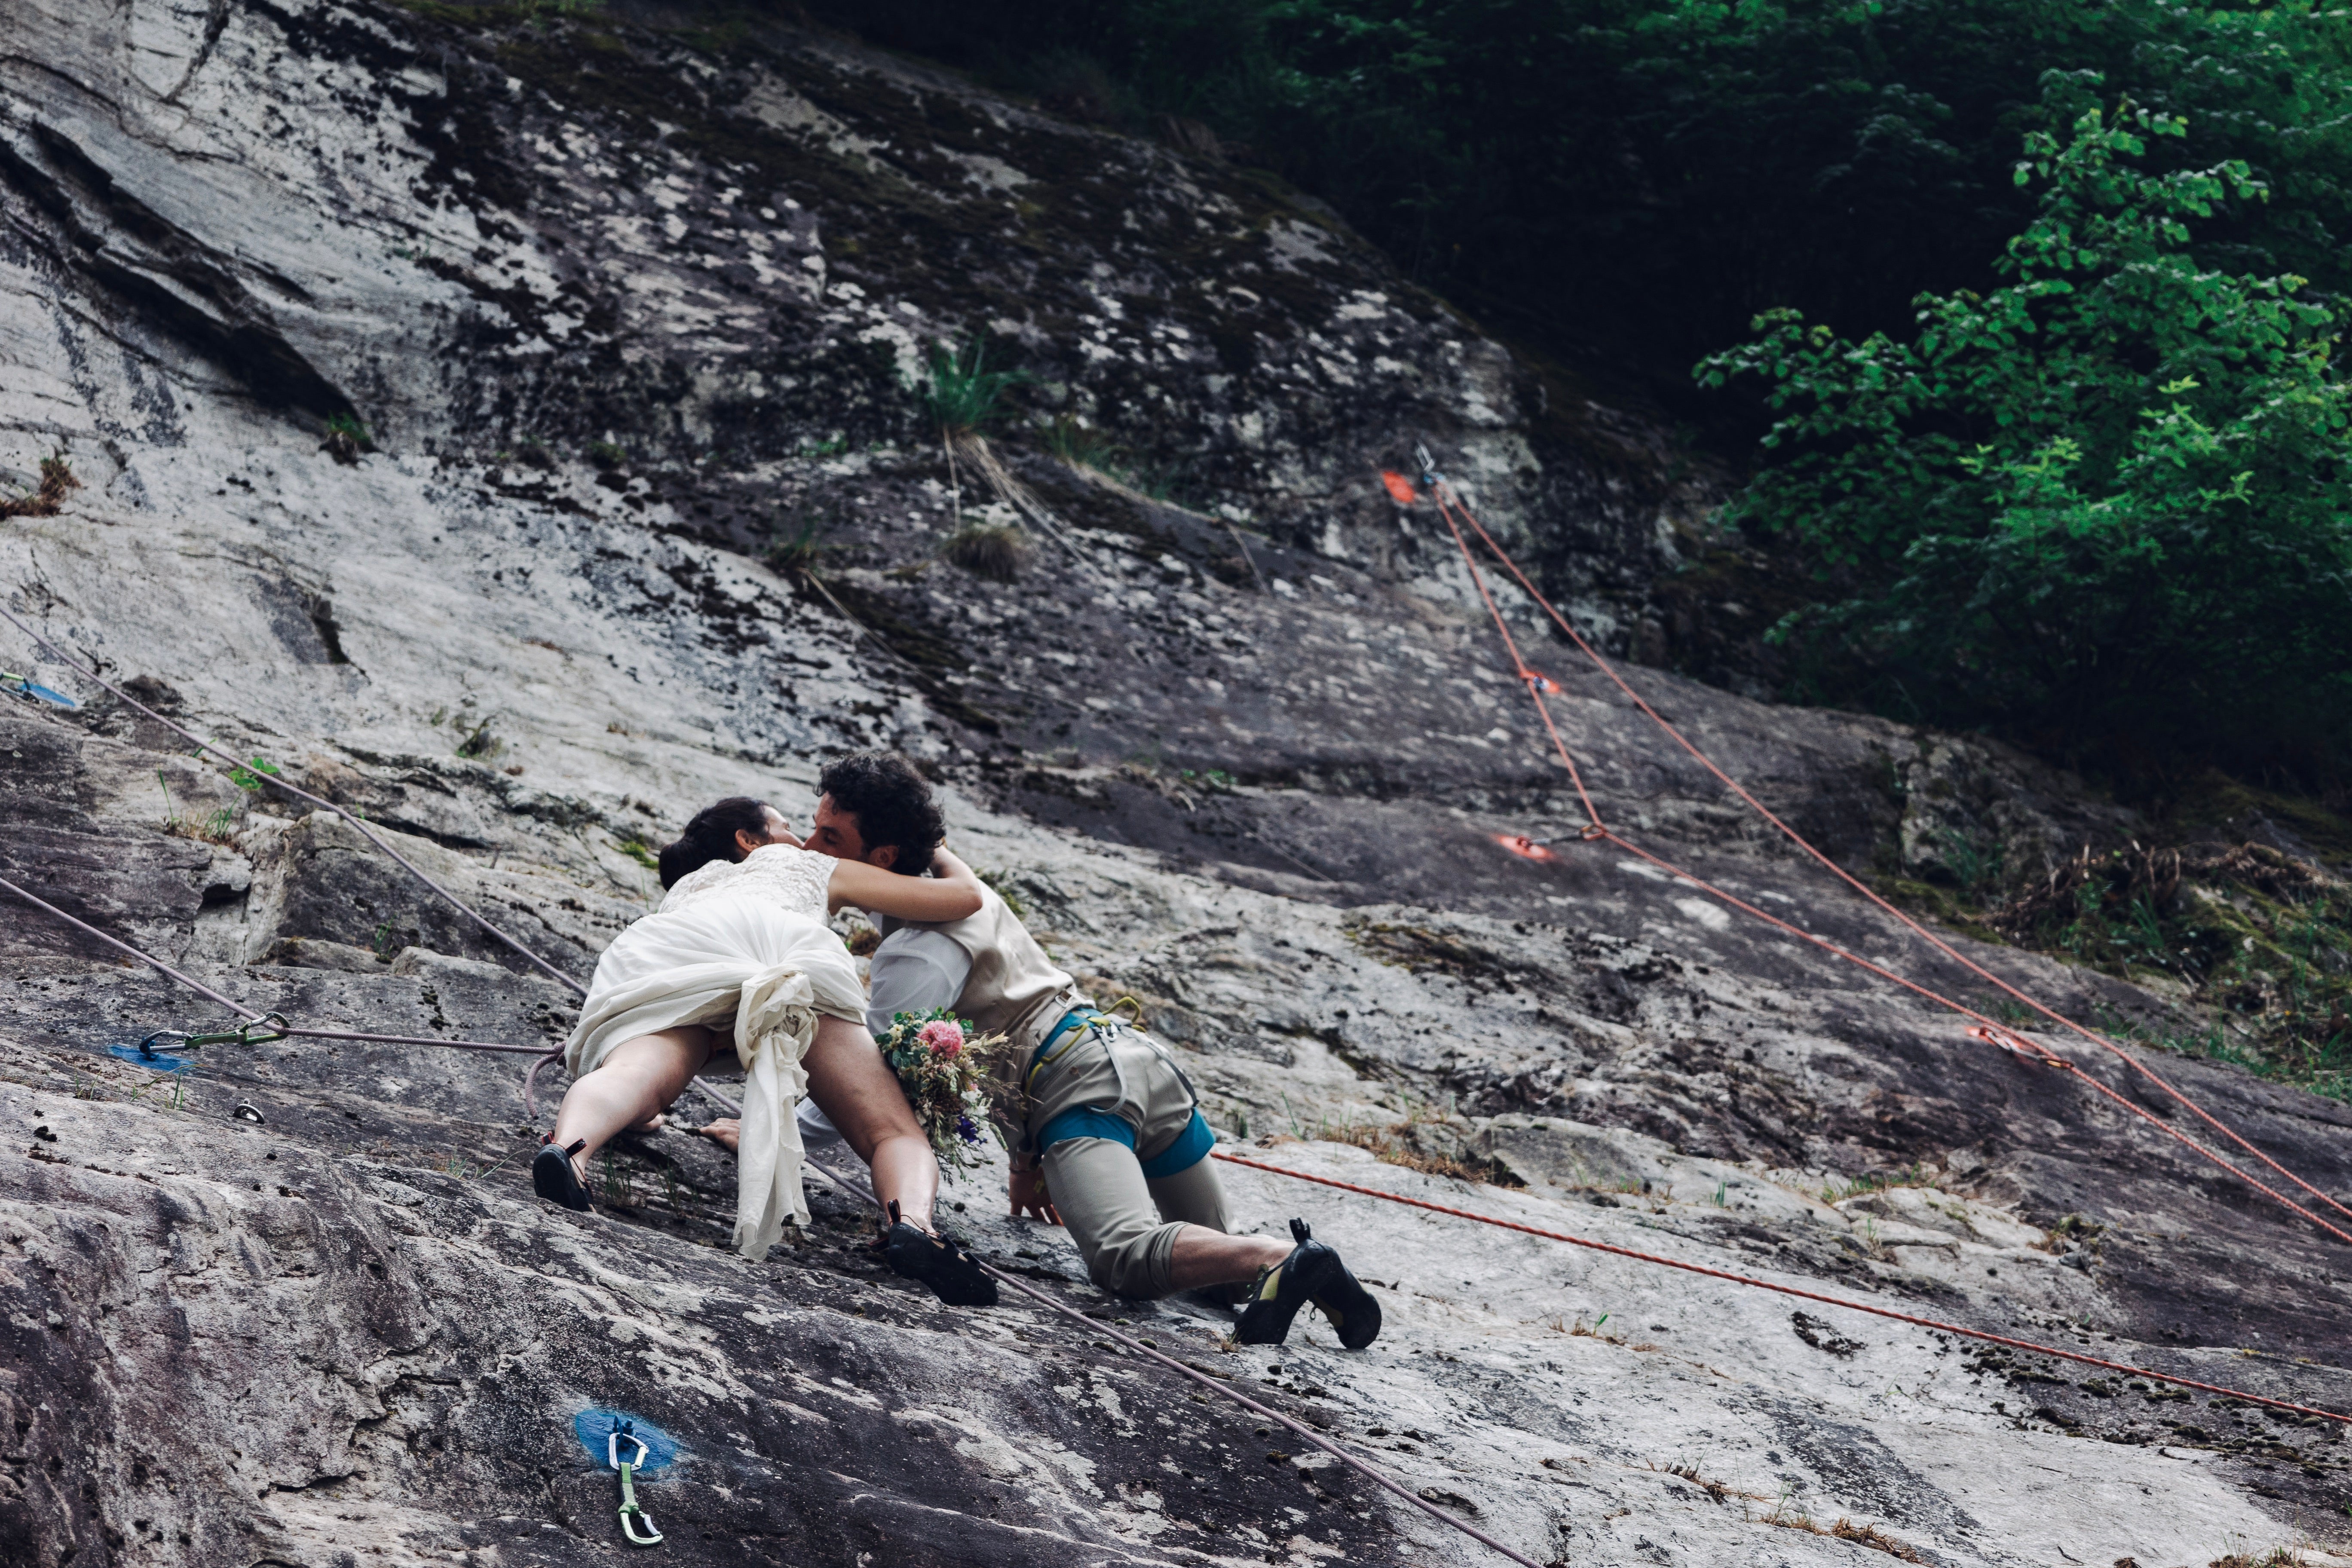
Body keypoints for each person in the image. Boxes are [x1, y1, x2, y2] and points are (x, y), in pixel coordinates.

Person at [706, 752, 1379, 1350]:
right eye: (815, 825)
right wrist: (1026, 1158)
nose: (813, 846)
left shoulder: (915, 949)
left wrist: (777, 1135)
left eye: (832, 836)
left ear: (882, 859)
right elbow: (968, 917)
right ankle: (1300, 1269)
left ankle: (1281, 1254)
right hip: (1138, 1064)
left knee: (1127, 1260)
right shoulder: (953, 888)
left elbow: (875, 1080)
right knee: (1218, 1282)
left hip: (1080, 1090)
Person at [537, 790, 997, 1305]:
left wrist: (642, 1116)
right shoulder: (806, 865)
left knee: (632, 1075)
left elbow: (646, 1095)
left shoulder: (687, 887)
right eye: (786, 827)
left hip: (679, 948)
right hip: (783, 950)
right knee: (890, 1130)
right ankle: (913, 1222)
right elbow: (964, 898)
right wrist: (931, 845)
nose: (803, 840)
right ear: (749, 841)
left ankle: (570, 1153)